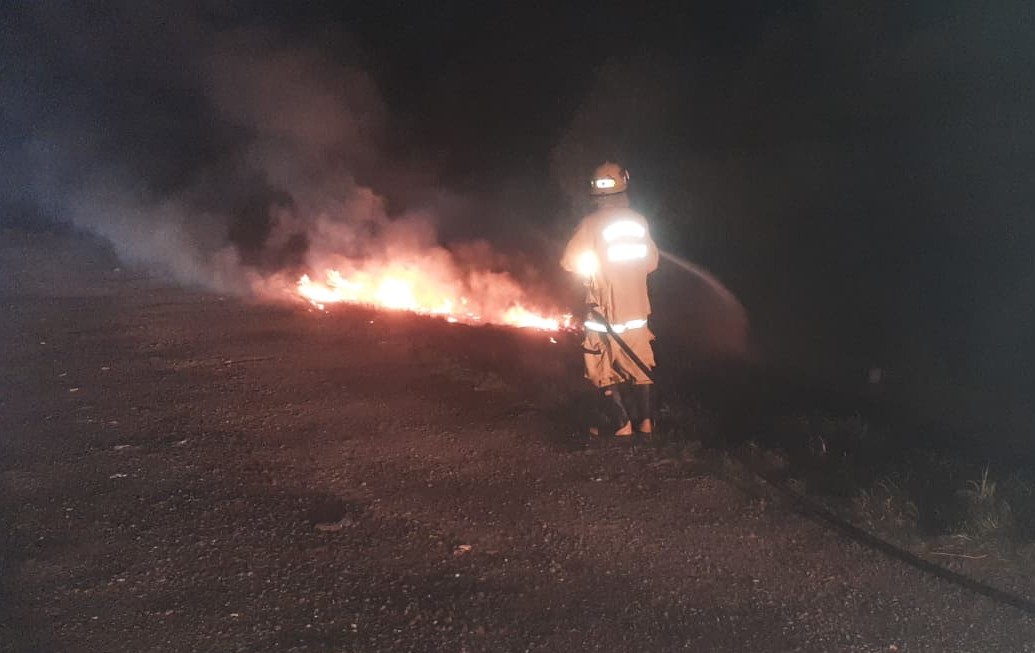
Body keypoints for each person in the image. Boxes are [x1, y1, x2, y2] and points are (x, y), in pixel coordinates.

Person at [561, 162, 659, 437]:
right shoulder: (639, 221)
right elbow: (651, 262)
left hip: (603, 312)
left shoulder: (590, 224)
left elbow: (569, 262)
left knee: (599, 365)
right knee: (640, 365)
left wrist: (590, 266)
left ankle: (621, 424)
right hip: (637, 310)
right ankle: (647, 423)